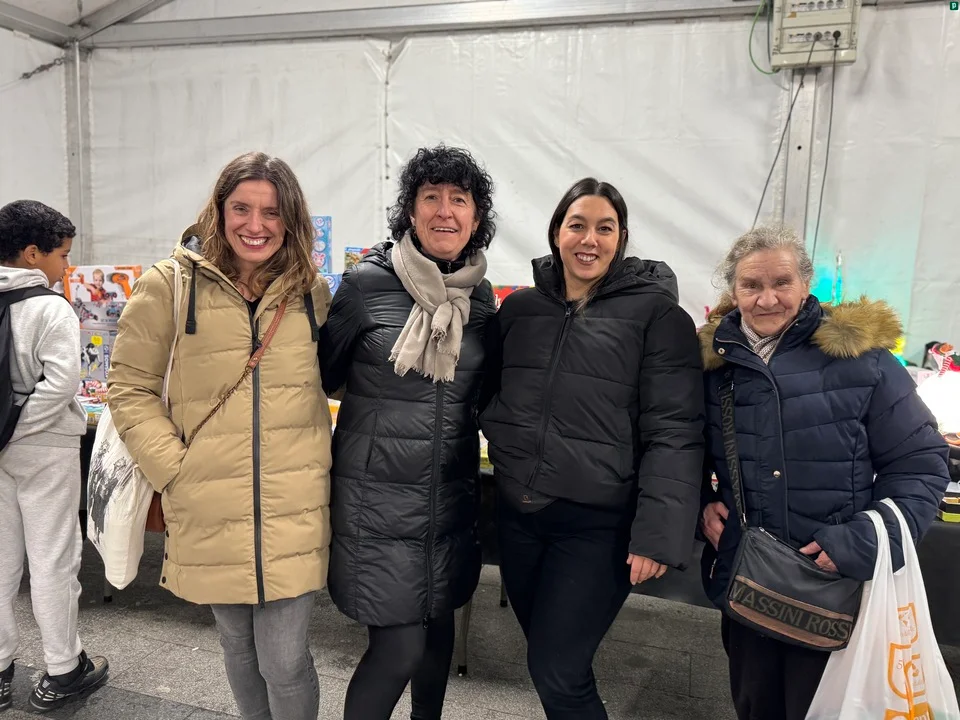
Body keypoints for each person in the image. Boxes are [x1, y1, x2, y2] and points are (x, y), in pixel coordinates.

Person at [107, 152, 333, 720]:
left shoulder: (309, 292)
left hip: (293, 506)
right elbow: (129, 387)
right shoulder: (169, 286)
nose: (255, 225)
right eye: (241, 209)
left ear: (291, 219)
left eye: (271, 212)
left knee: (284, 659)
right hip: (207, 500)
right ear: (219, 209)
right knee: (238, 648)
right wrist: (175, 469)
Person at [697, 226, 950, 720]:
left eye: (782, 282)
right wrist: (699, 509)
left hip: (834, 586)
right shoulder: (713, 365)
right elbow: (683, 453)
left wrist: (861, 542)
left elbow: (921, 462)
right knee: (755, 704)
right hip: (749, 581)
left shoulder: (863, 361)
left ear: (806, 284)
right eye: (751, 285)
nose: (767, 298)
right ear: (733, 290)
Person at [479, 178, 705, 720]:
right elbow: (489, 392)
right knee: (552, 662)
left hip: (597, 526)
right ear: (556, 232)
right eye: (577, 225)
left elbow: (675, 431)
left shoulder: (658, 318)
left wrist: (657, 534)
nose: (589, 239)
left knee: (557, 669)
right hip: (519, 515)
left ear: (620, 238)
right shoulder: (520, 309)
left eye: (605, 228)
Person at [319, 145, 496, 720]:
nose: (445, 211)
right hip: (379, 501)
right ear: (411, 210)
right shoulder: (366, 284)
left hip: (448, 496)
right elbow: (327, 373)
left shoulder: (480, 295)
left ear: (476, 216)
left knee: (437, 632)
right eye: (431, 197)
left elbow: (485, 389)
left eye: (459, 199)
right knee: (398, 649)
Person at [0, 200, 109, 713]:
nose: (67, 266)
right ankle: (64, 669)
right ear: (31, 254)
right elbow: (61, 384)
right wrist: (17, 429)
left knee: (1, 562)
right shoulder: (50, 307)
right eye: (62, 255)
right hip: (42, 447)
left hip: (0, 449)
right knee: (53, 560)